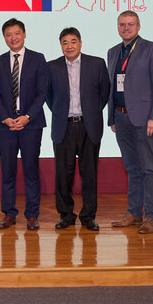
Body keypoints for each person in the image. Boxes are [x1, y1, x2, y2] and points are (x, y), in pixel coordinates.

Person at [106, 11, 153, 234]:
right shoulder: (113, 52)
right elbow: (113, 86)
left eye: (130, 24)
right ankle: (134, 212)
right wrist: (111, 117)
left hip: (145, 119)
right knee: (132, 168)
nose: (126, 28)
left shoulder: (152, 49)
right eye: (122, 24)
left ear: (138, 26)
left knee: (149, 168)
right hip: (121, 118)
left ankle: (151, 216)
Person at [46, 27, 110, 231]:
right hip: (63, 126)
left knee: (89, 173)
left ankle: (88, 216)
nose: (69, 46)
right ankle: (66, 215)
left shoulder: (97, 64)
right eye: (65, 42)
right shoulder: (52, 67)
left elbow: (104, 92)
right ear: (61, 46)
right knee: (63, 174)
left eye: (73, 41)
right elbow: (48, 96)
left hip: (88, 125)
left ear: (80, 43)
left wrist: (90, 112)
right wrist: (60, 111)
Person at [0, 18, 48, 231]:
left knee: (31, 170)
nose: (13, 38)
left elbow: (43, 92)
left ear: (24, 35)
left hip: (30, 125)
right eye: (8, 35)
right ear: (4, 38)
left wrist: (27, 117)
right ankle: (9, 214)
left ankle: (32, 215)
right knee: (8, 171)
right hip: (6, 126)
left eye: (16, 33)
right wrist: (6, 117)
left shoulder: (38, 59)